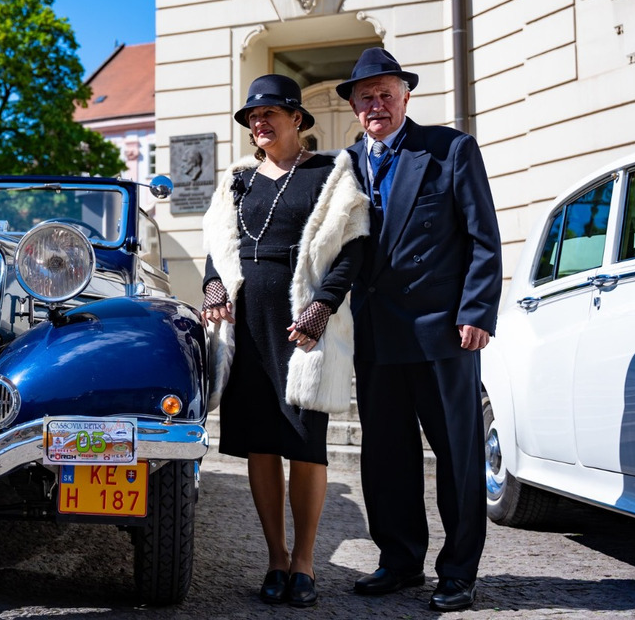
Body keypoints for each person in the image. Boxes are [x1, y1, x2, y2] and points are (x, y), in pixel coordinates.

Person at [336, 48, 502, 613]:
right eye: (366, 97)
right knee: (385, 455)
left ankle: (458, 571)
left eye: (385, 94)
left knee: (457, 456)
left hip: (443, 334)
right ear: (355, 107)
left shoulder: (450, 149)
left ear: (405, 96)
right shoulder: (348, 164)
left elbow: (483, 237)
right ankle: (400, 560)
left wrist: (476, 310)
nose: (376, 104)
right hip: (377, 335)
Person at [201, 74, 369, 609]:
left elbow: (353, 249)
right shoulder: (237, 181)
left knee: (305, 444)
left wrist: (322, 308)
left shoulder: (331, 172)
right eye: (253, 116)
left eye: (271, 112)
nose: (260, 122)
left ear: (298, 118)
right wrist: (211, 287)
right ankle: (275, 557)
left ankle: (305, 562)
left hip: (304, 323)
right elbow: (217, 248)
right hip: (248, 325)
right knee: (260, 445)